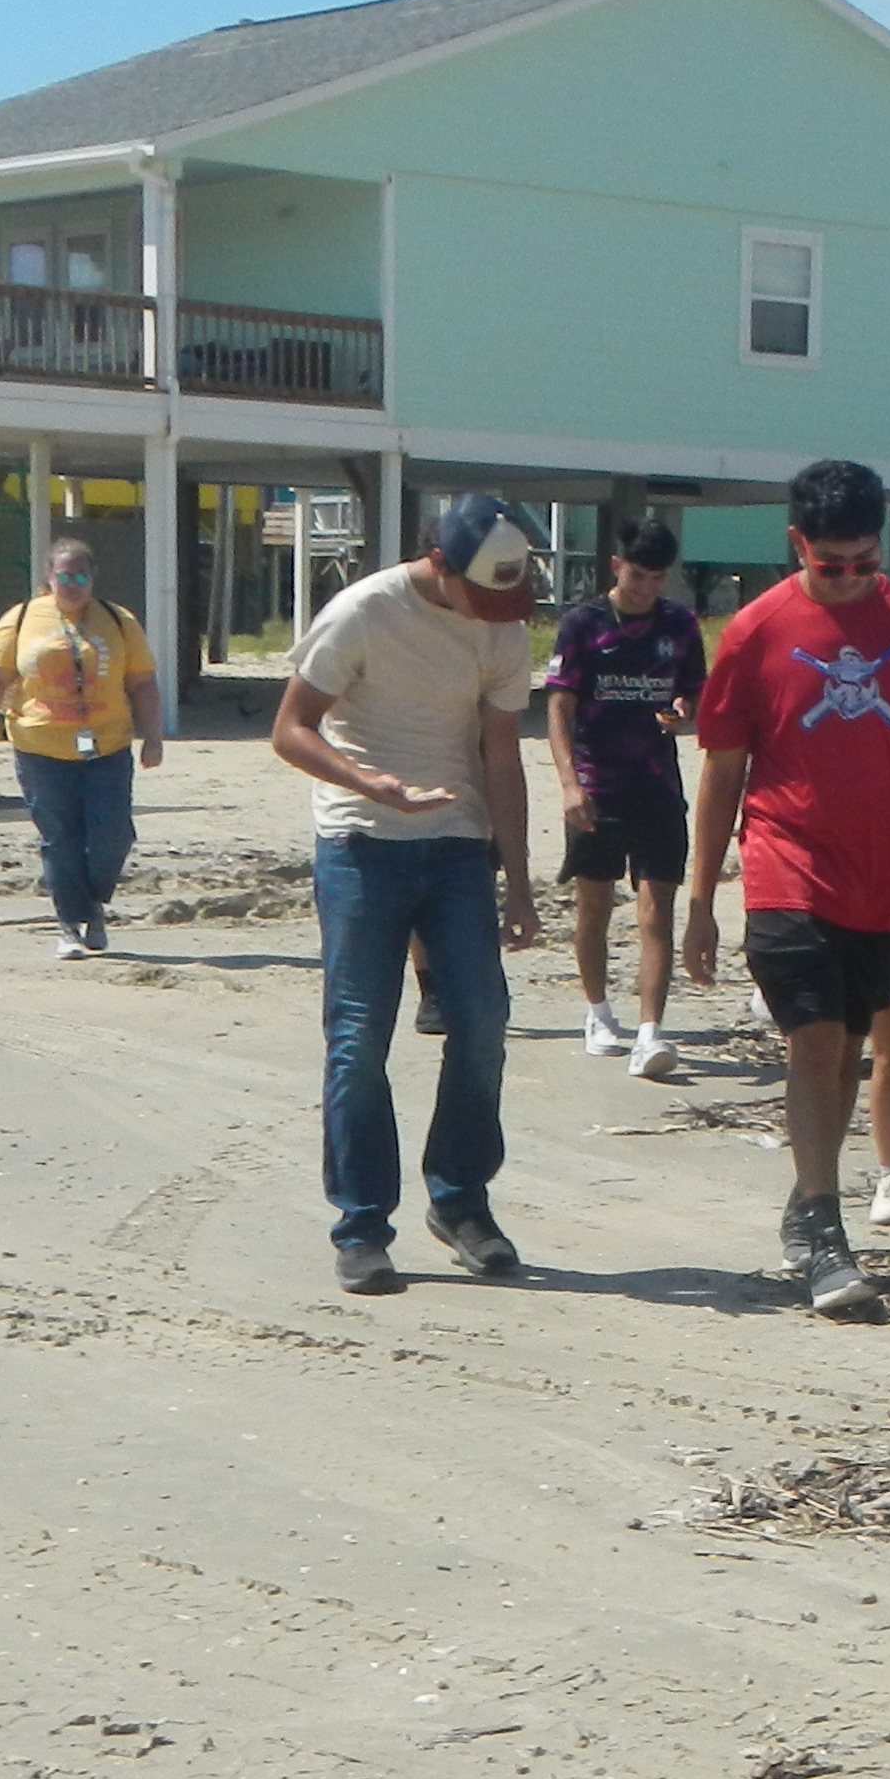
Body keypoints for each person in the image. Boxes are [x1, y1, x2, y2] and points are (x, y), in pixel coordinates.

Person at [686, 459, 890, 1319]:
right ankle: (824, 1228)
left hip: (885, 879)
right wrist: (702, 899)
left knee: (849, 1045)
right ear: (796, 545)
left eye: (864, 562)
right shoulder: (755, 630)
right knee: (815, 1041)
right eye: (830, 564)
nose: (848, 580)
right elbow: (722, 773)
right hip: (786, 864)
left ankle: (806, 1197)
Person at [270, 492, 542, 1296]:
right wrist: (368, 783)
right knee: (358, 1036)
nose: (495, 613)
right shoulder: (362, 612)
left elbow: (501, 757)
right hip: (360, 843)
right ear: (440, 564)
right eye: (483, 592)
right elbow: (291, 728)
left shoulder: (500, 628)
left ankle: (460, 1202)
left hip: (456, 846)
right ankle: (361, 1223)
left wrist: (519, 883)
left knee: (484, 1019)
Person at [543, 513, 702, 1080]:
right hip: (597, 785)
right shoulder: (583, 624)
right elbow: (559, 705)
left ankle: (651, 1031)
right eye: (638, 576)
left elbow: (693, 694)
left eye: (658, 578)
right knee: (595, 904)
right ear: (617, 567)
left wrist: (685, 712)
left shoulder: (680, 626)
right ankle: (597, 1012)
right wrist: (568, 784)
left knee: (656, 907)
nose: (647, 588)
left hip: (657, 787)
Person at [0, 539, 163, 959]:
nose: (72, 585)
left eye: (81, 577)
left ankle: (93, 900)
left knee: (112, 835)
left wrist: (153, 736)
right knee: (61, 838)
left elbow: (143, 682)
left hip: (107, 746)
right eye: (64, 577)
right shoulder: (21, 619)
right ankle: (72, 923)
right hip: (40, 748)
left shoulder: (119, 620)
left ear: (93, 578)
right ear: (48, 578)